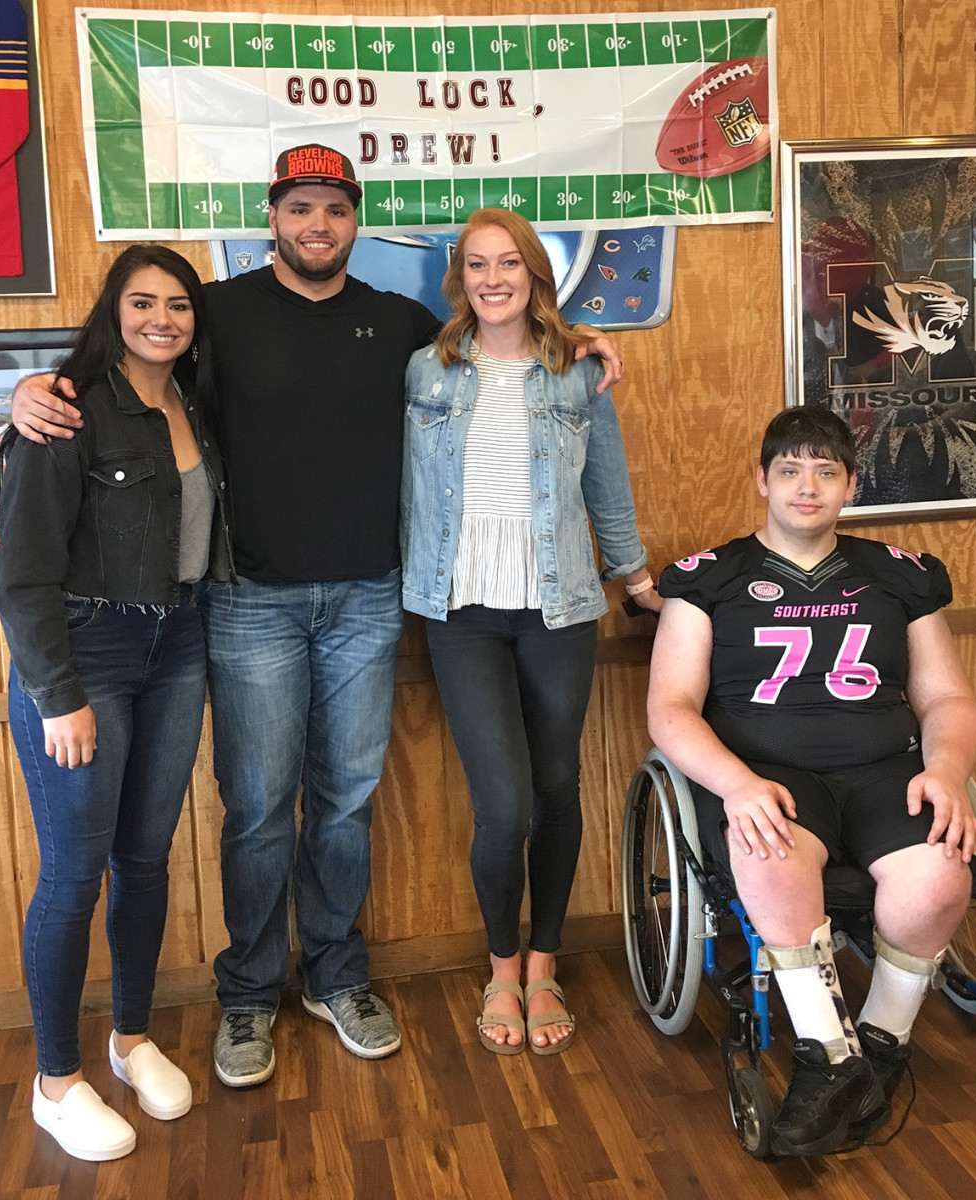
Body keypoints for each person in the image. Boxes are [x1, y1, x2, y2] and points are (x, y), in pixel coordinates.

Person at [9, 143, 625, 1087]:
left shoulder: (406, 326)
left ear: (354, 220)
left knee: (344, 803)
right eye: (299, 208)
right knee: (256, 810)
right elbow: (124, 352)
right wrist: (32, 389)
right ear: (272, 219)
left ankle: (336, 975)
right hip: (247, 603)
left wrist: (579, 341)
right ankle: (249, 994)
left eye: (334, 210)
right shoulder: (211, 315)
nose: (316, 226)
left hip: (370, 601)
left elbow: (502, 357)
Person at [646, 405, 976, 1155]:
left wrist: (945, 768)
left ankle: (881, 1042)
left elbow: (947, 699)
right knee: (771, 854)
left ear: (849, 485)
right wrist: (737, 784)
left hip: (886, 772)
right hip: (772, 775)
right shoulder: (708, 579)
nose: (806, 487)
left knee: (942, 876)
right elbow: (671, 709)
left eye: (825, 471)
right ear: (762, 481)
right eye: (790, 470)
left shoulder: (897, 576)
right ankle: (829, 1057)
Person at [401, 208, 661, 1055]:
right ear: (460, 279)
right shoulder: (425, 372)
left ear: (534, 275)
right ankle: (501, 964)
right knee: (503, 806)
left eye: (508, 263)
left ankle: (543, 963)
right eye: (477, 265)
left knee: (556, 791)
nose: (492, 279)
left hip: (560, 608)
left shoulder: (576, 375)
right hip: (461, 609)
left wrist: (638, 580)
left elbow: (608, 490)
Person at [0, 245, 233, 1160]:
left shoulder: (194, 403)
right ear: (113, 309)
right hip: (85, 659)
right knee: (73, 874)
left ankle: (130, 1041)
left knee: (146, 858)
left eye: (178, 304)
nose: (161, 319)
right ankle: (56, 1082)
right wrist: (58, 696)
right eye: (143, 303)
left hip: (177, 647)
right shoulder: (65, 410)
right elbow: (20, 576)